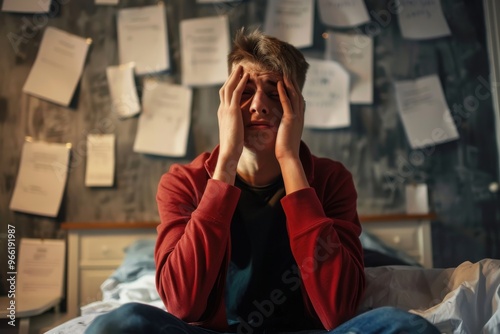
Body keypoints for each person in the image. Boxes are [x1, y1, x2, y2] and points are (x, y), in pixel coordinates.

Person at [85, 29, 440, 334]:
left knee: (408, 327)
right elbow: (182, 305)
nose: (259, 106)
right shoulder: (184, 182)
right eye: (244, 93)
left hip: (306, 330)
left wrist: (290, 162)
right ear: (225, 103)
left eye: (275, 93)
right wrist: (225, 164)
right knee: (116, 324)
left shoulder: (332, 180)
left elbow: (338, 310)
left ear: (297, 106)